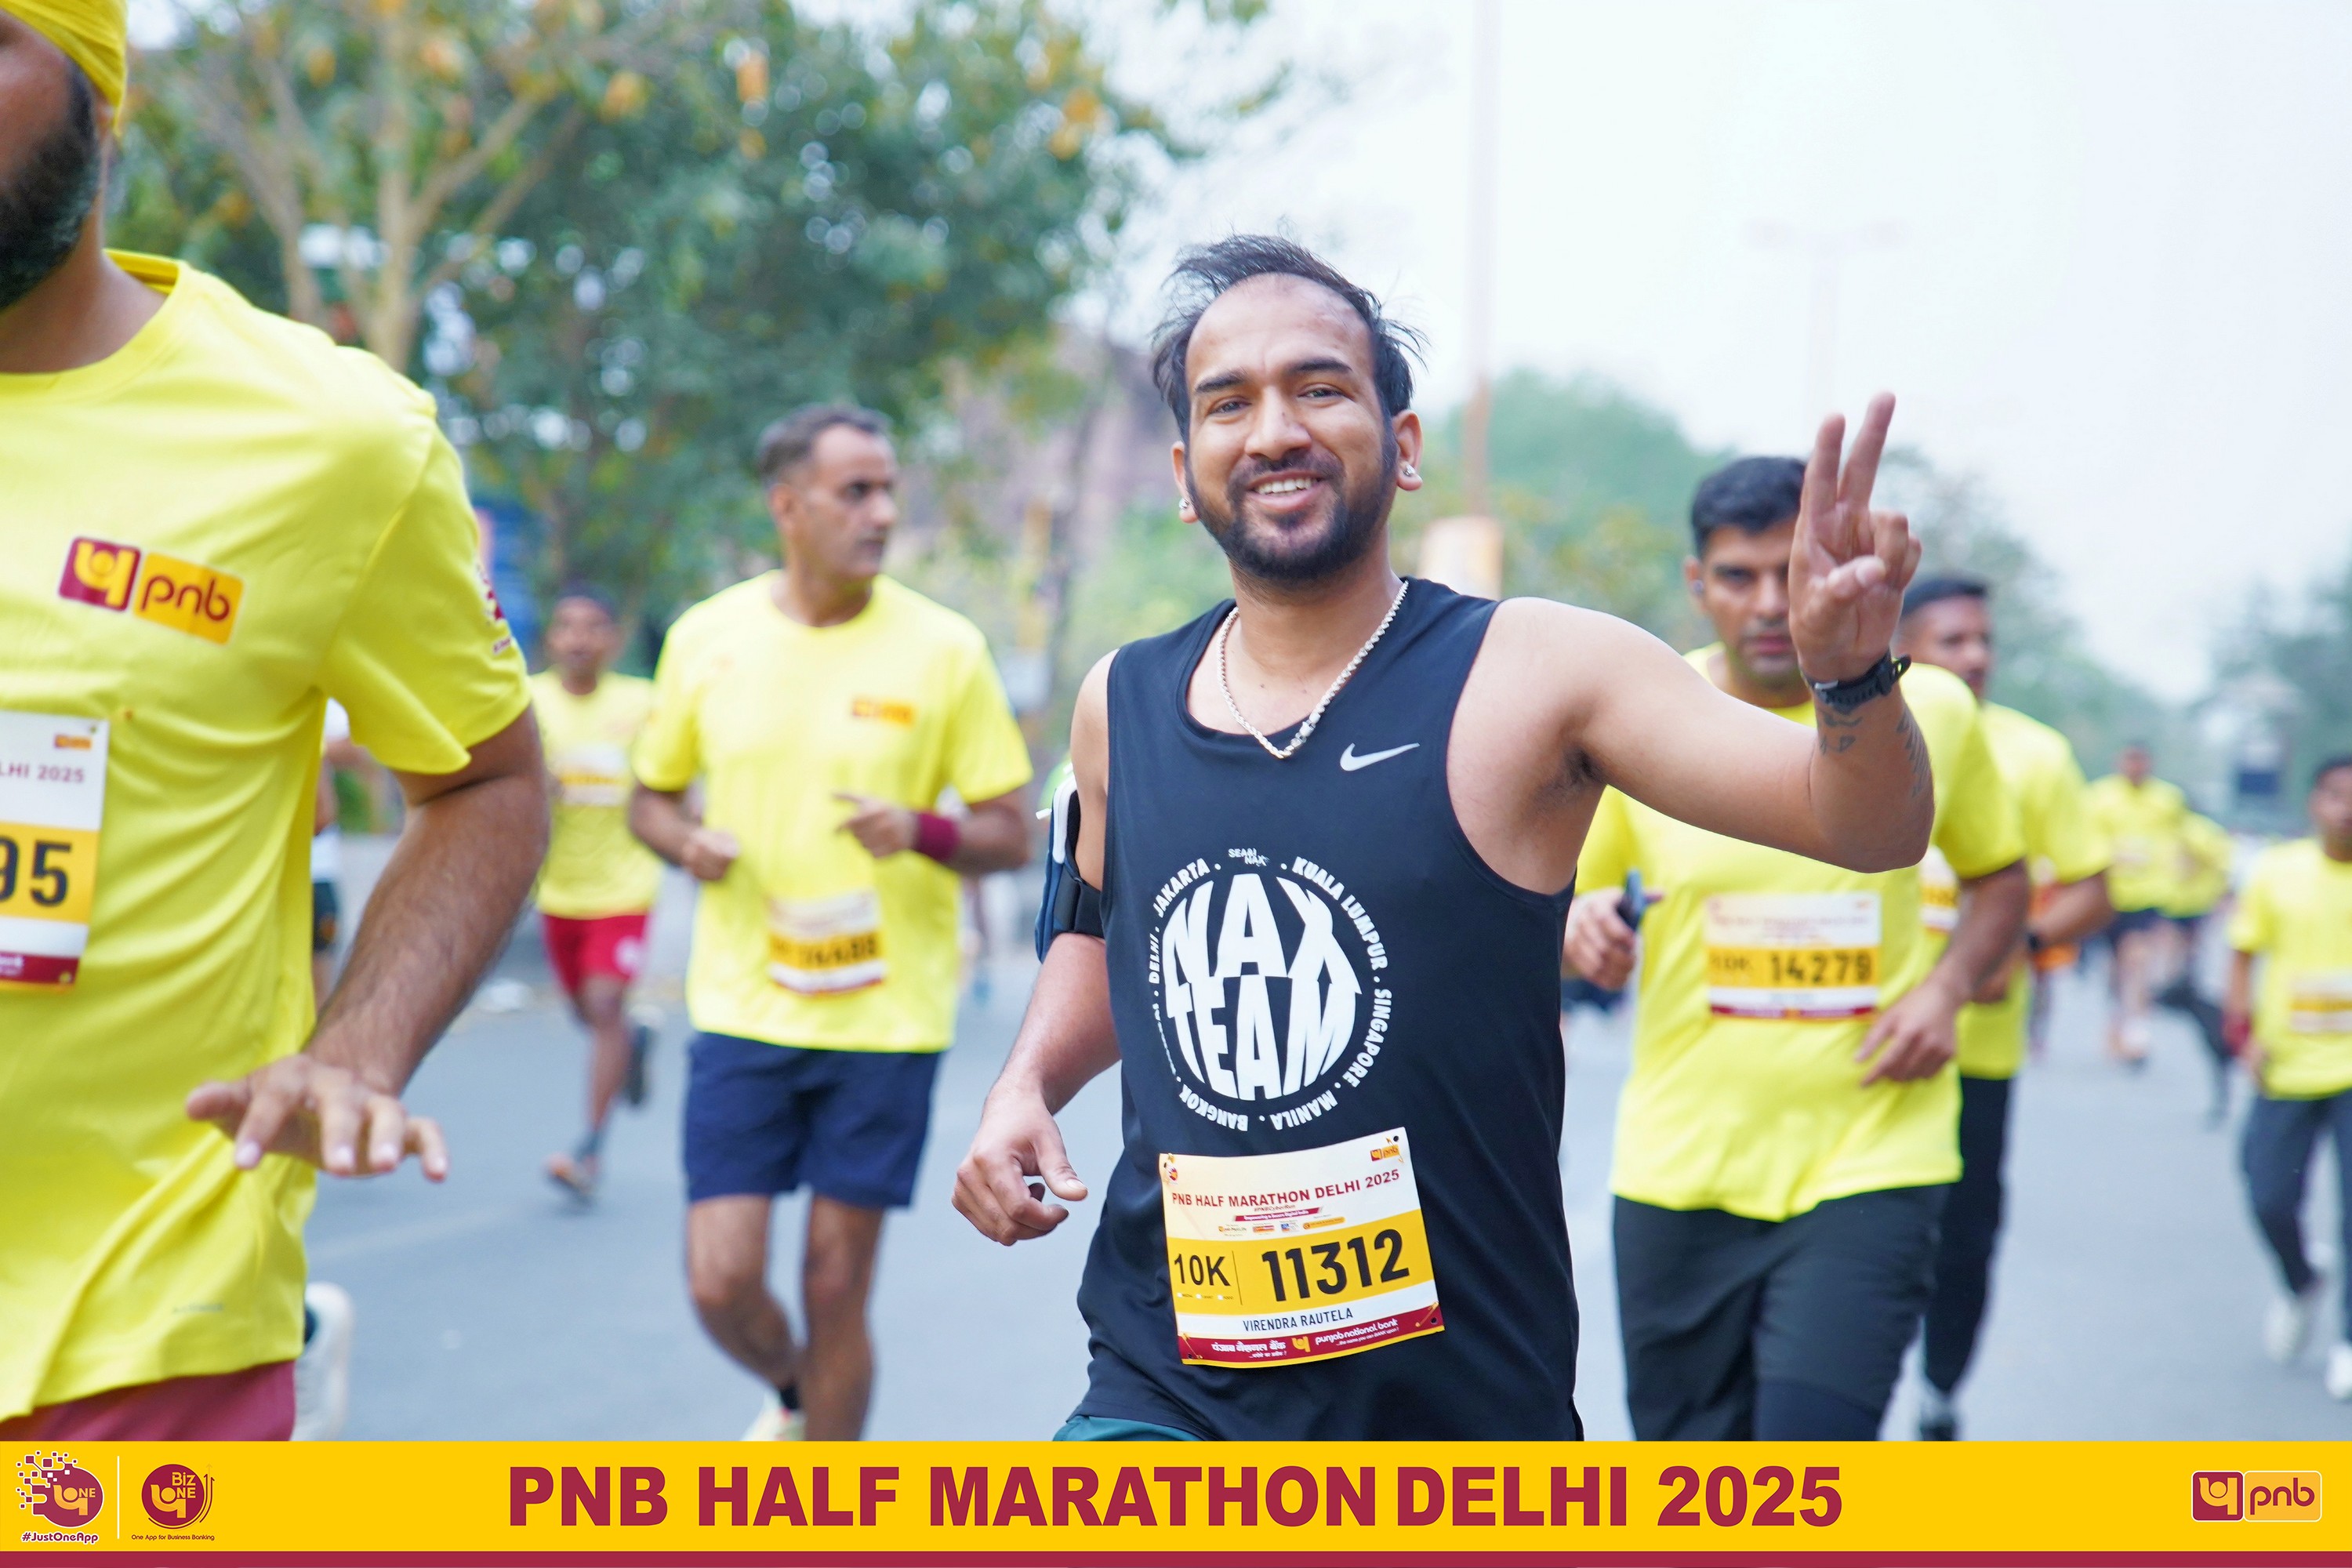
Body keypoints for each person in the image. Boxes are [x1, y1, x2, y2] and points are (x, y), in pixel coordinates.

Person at [955, 235, 1942, 1442]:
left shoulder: (1541, 671)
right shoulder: (1122, 701)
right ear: (1184, 469)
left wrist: (1852, 680)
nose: (1274, 431)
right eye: (1229, 403)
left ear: (1404, 443)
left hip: (1456, 1420)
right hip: (1166, 1387)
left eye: (1321, 388)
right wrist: (1025, 1086)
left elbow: (1865, 826)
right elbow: (1102, 926)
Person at [0, 0, 546, 1441]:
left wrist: (359, 1047)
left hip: (132, 1340)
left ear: (98, 94)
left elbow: (485, 781)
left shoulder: (329, 442)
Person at [1565, 468, 2029, 1443]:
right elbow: (1572, 898)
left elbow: (2000, 877)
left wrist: (1947, 990)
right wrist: (1583, 925)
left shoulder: (1933, 709)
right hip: (1680, 1166)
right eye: (1740, 576)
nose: (1773, 604)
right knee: (1687, 1492)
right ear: (1698, 583)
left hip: (1872, 1156)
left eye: (1793, 572)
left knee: (1813, 1465)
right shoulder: (1642, 712)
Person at [630, 405, 1033, 1441]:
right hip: (745, 1004)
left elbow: (1009, 832)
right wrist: (686, 843)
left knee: (835, 1283)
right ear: (788, 506)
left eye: (888, 489)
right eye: (856, 491)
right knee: (720, 1280)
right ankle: (802, 1396)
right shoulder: (706, 638)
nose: (883, 512)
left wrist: (922, 830)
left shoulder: (944, 649)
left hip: (886, 1016)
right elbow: (650, 799)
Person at [1895, 574, 2112, 1439]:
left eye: (1984, 639)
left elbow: (2092, 888)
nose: (1976, 655)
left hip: (1977, 1049)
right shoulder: (1853, 737)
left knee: (1963, 1235)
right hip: (1856, 1039)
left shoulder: (2037, 754)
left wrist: (2013, 943)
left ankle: (1941, 1388)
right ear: (1902, 644)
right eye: (1952, 640)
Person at [532, 586, 664, 1200]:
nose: (579, 639)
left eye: (593, 627)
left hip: (625, 888)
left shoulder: (641, 704)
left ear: (613, 639)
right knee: (588, 1014)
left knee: (605, 1006)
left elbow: (670, 781)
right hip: (559, 891)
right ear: (551, 638)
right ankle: (632, 1045)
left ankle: (589, 1149)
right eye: (567, 626)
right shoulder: (528, 702)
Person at [2226, 755, 2352, 1399]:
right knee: (2269, 1196)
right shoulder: (2277, 871)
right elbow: (2242, 954)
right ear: (2314, 803)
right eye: (2335, 795)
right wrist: (2241, 1033)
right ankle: (2301, 1280)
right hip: (2287, 1062)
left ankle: (2348, 1341)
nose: (2347, 809)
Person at [2087, 745, 2193, 1066]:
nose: (2135, 767)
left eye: (2141, 761)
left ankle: (2136, 1031)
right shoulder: (2099, 796)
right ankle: (2117, 1023)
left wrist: (2180, 875)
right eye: (2130, 760)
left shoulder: (2168, 800)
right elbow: (2086, 839)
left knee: (2137, 960)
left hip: (2148, 895)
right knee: (2116, 966)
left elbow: (2181, 840)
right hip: (2108, 894)